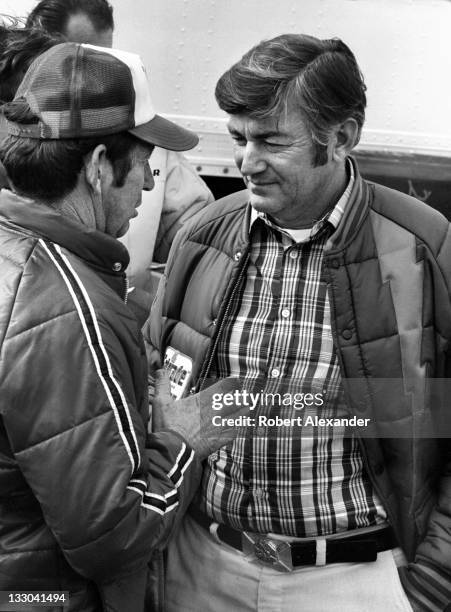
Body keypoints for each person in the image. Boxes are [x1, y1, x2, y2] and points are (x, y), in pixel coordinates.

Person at [144, 33, 451, 611]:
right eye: (238, 138)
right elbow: (155, 383)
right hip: (202, 569)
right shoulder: (203, 236)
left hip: (358, 583)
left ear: (342, 137)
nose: (246, 162)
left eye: (272, 142)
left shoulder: (425, 248)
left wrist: (431, 585)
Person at [0, 42, 242, 612]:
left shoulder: (17, 255)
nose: (152, 188)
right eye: (146, 166)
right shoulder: (68, 306)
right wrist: (187, 437)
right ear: (99, 165)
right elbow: (112, 537)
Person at [25, 0, 214, 311]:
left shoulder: (143, 135)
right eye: (77, 60)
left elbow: (199, 239)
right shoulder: (17, 143)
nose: (95, 75)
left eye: (105, 58)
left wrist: (138, 314)